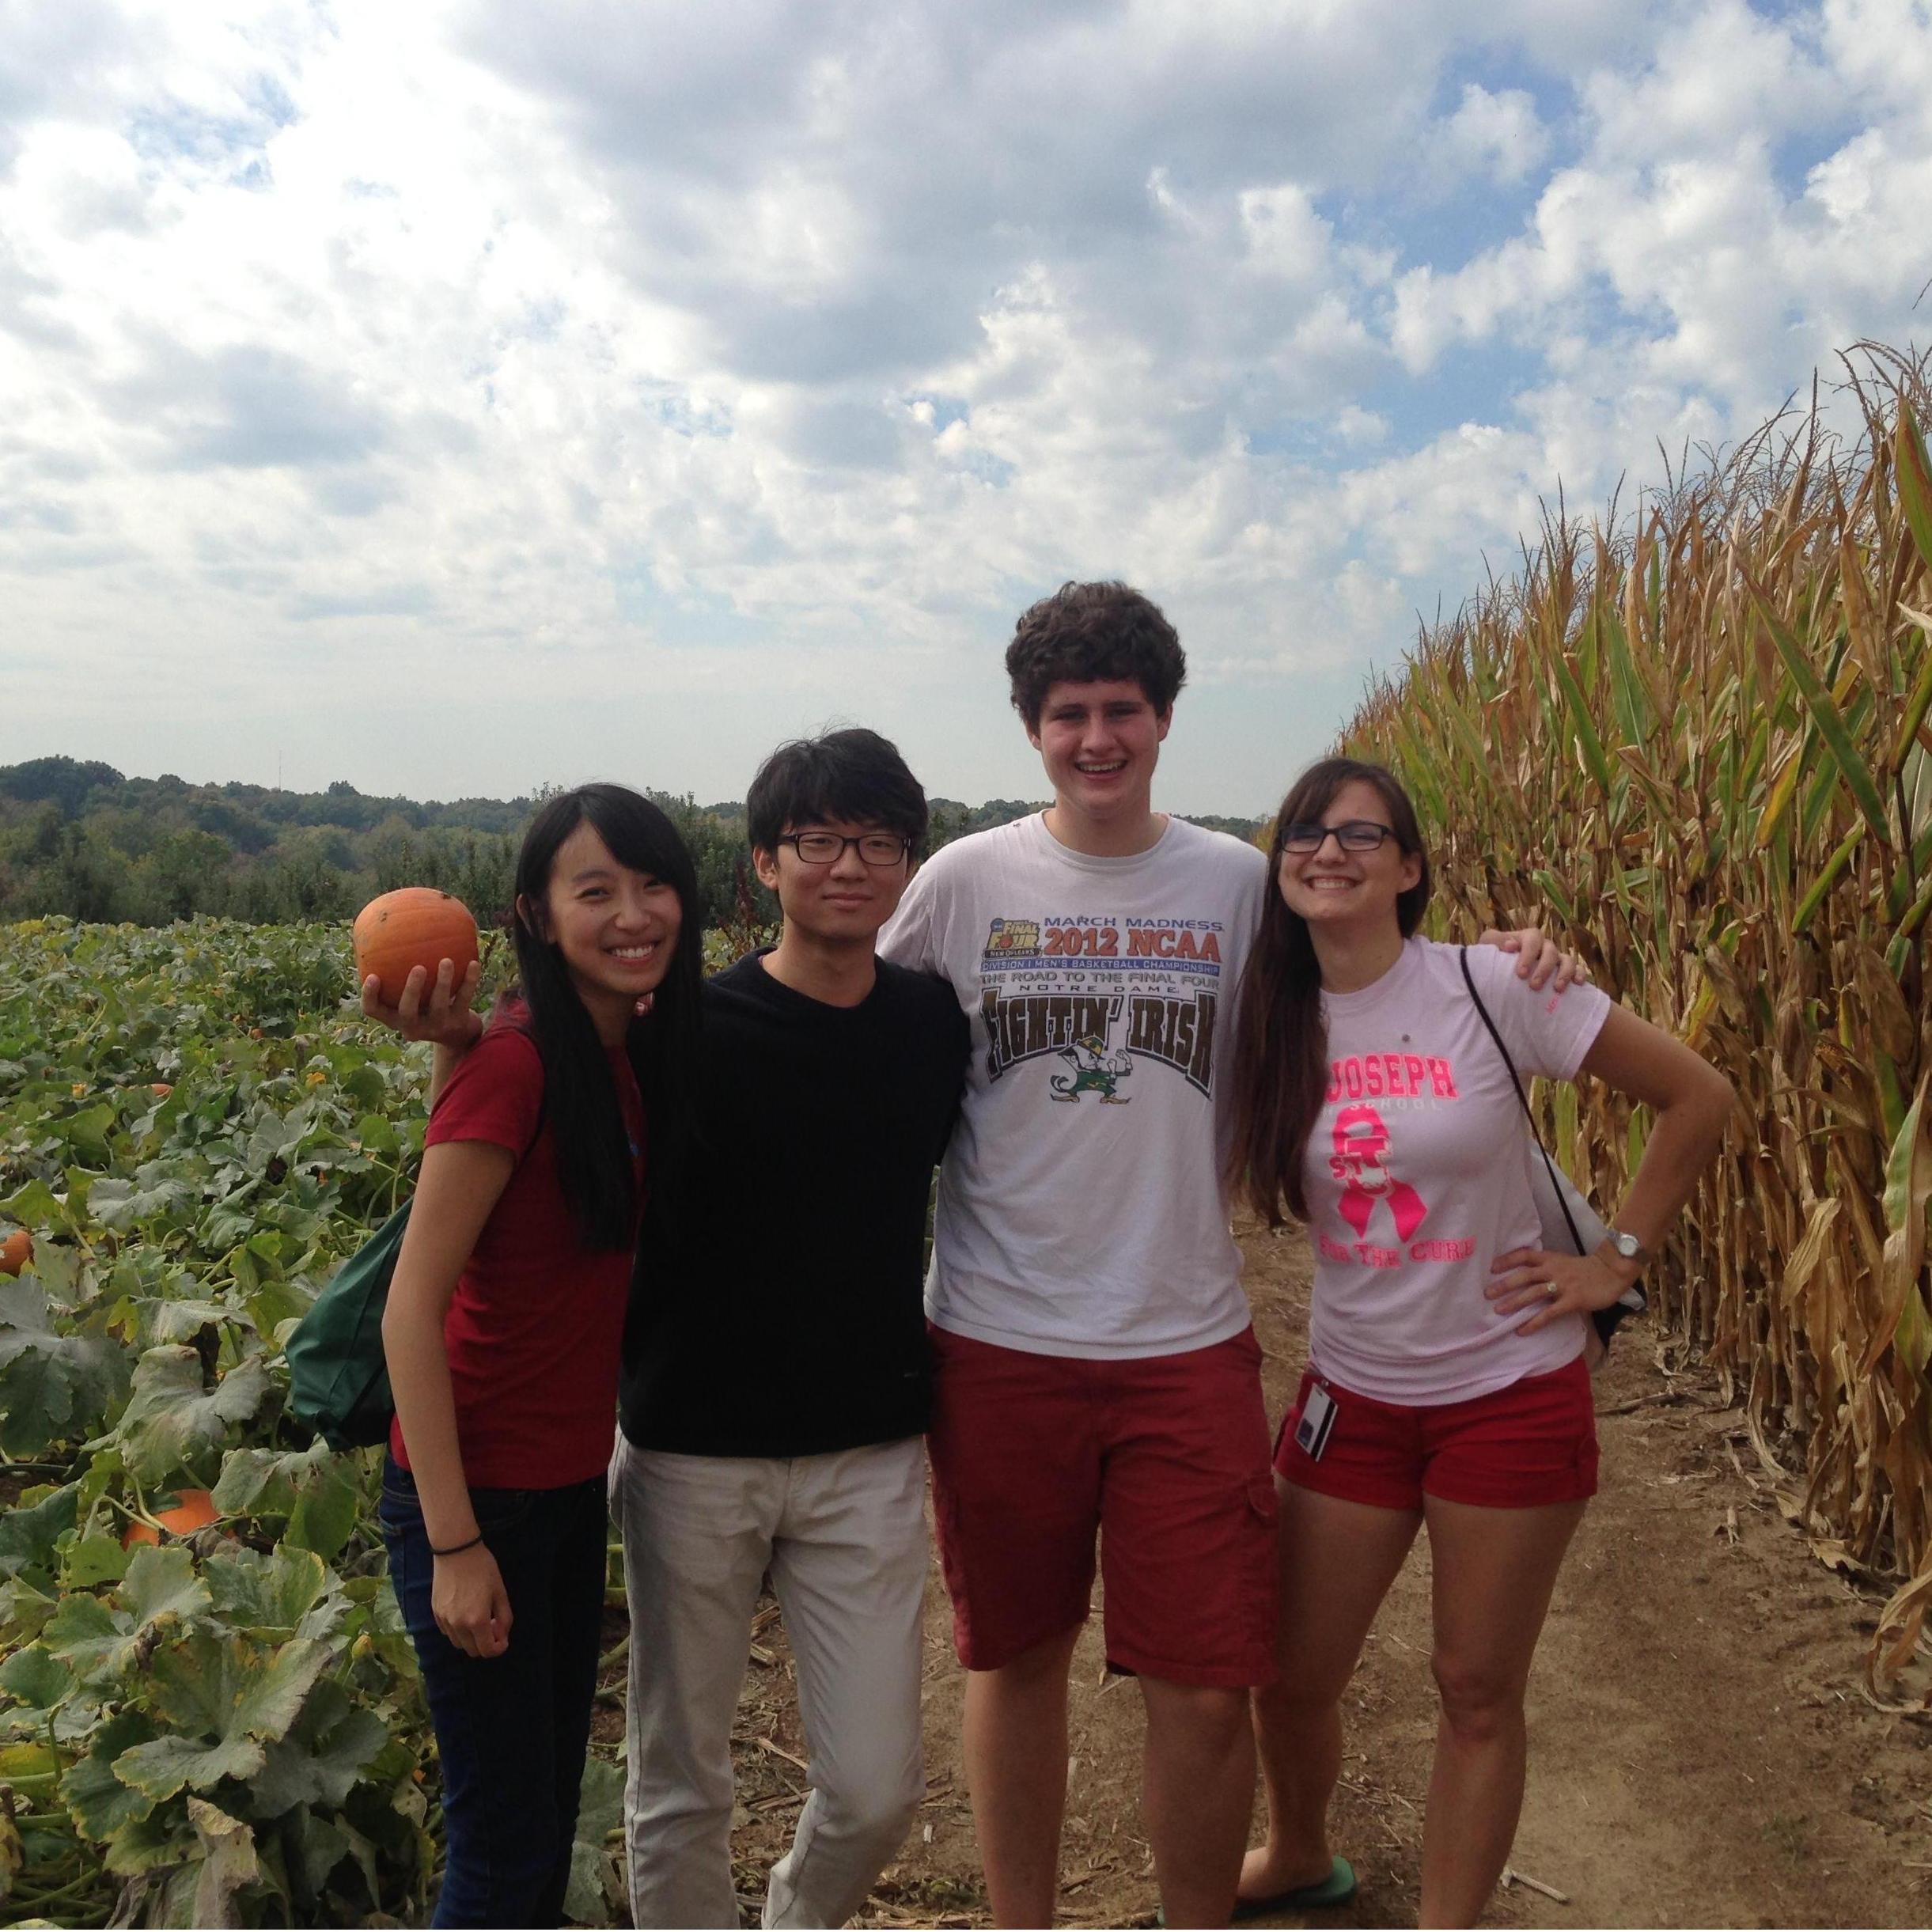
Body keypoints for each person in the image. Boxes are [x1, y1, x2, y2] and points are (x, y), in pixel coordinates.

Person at [877, 582, 1578, 1929]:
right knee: (1014, 1660)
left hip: (1180, 1346)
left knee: (1204, 1684)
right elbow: (843, 1015)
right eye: (1068, 714)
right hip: (997, 1341)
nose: (1096, 738)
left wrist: (1512, 956)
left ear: (1163, 719)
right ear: (1031, 728)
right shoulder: (962, 885)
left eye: (1120, 711)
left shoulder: (1234, 887)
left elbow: (1379, 960)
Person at [1225, 757, 1733, 1930]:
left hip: (1507, 1390)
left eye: (1363, 834)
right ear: (1281, 861)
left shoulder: (1494, 983)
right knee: (1288, 1674)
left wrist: (1613, 1259)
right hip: (1352, 1387)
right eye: (1307, 830)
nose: (1329, 850)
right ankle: (1297, 1849)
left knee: (1475, 1686)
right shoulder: (1269, 1012)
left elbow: (1699, 1097)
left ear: (1408, 869)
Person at [612, 729, 967, 1927]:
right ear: (766, 861)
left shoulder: (930, 1023)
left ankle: (793, 1916)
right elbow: (550, 1083)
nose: (849, 865)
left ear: (907, 863)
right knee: (679, 1777)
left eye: (878, 842)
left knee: (873, 1788)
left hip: (866, 1445)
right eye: (818, 839)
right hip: (689, 1449)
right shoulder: (682, 1031)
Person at [373, 784, 703, 1928]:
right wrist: (456, 1542)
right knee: (504, 1857)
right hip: (477, 1503)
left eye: (652, 882)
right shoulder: (511, 1063)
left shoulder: (619, 1053)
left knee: (539, 1813)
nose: (631, 912)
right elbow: (409, 1310)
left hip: (562, 1492)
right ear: (535, 911)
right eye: (594, 889)